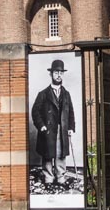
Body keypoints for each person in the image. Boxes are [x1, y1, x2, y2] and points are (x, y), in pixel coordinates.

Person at [31, 58, 77, 187]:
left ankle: (60, 176)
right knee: (47, 154)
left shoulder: (66, 94)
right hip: (48, 129)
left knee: (61, 154)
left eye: (61, 73)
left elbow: (71, 112)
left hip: (61, 129)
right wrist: (41, 126)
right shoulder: (43, 94)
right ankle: (48, 177)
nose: (58, 75)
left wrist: (71, 127)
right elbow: (35, 111)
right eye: (56, 72)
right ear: (51, 74)